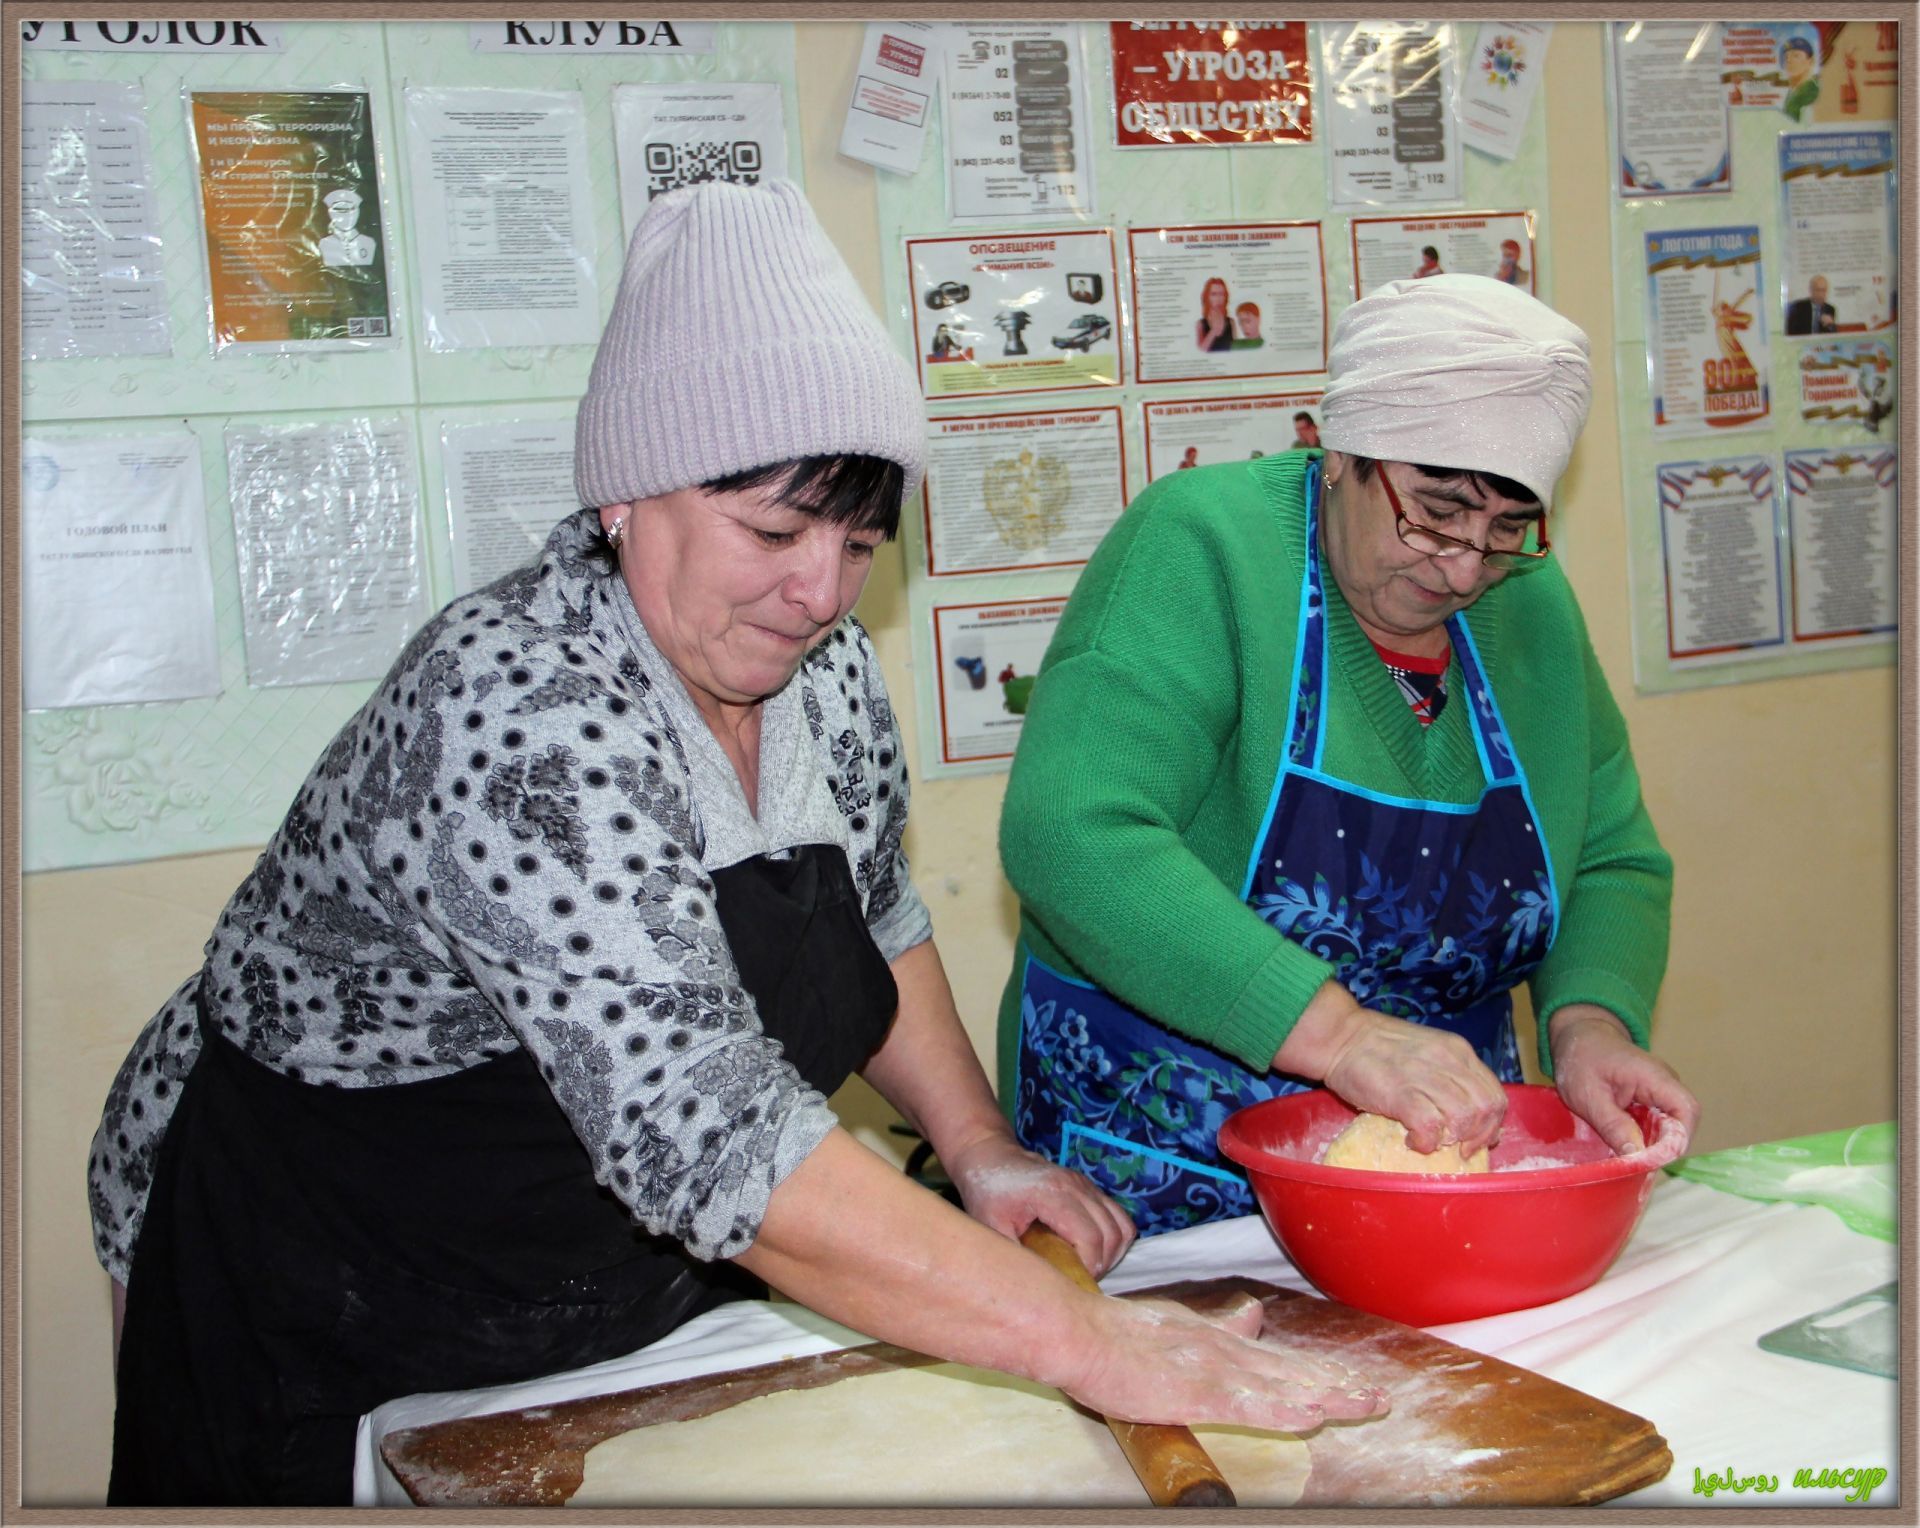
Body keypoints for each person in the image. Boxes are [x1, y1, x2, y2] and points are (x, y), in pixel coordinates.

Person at [90, 180, 1384, 1505]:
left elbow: (876, 919)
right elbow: (706, 1133)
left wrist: (980, 1146)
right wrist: (1091, 1345)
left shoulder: (814, 676)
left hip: (591, 1280)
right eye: (772, 531)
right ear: (625, 496)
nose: (820, 592)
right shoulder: (522, 709)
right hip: (326, 1267)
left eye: (859, 542)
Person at [996, 274, 1700, 1234]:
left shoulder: (1525, 605)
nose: (1462, 567)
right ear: (1337, 451)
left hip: (1429, 1170)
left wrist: (1589, 1023)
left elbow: (1611, 855)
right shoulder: (1204, 548)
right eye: (1437, 510)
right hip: (1159, 1172)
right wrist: (1339, 1036)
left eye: (1503, 531)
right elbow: (1070, 834)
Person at [317, 187, 376, 267]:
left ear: (357, 213)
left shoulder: (368, 242)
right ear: (330, 214)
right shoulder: (324, 243)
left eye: (350, 210)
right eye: (339, 210)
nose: (345, 215)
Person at [1781, 34, 1820, 120]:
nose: (1789, 61)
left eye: (1796, 56)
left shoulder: (1811, 91)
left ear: (1810, 61)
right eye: (1786, 57)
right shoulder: (1794, 91)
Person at [1196, 276, 1236, 351]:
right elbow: (1199, 352)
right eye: (1214, 294)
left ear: (1225, 297)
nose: (1218, 298)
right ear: (1207, 297)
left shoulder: (1231, 322)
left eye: (1221, 294)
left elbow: (1235, 351)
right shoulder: (1200, 324)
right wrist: (1213, 331)